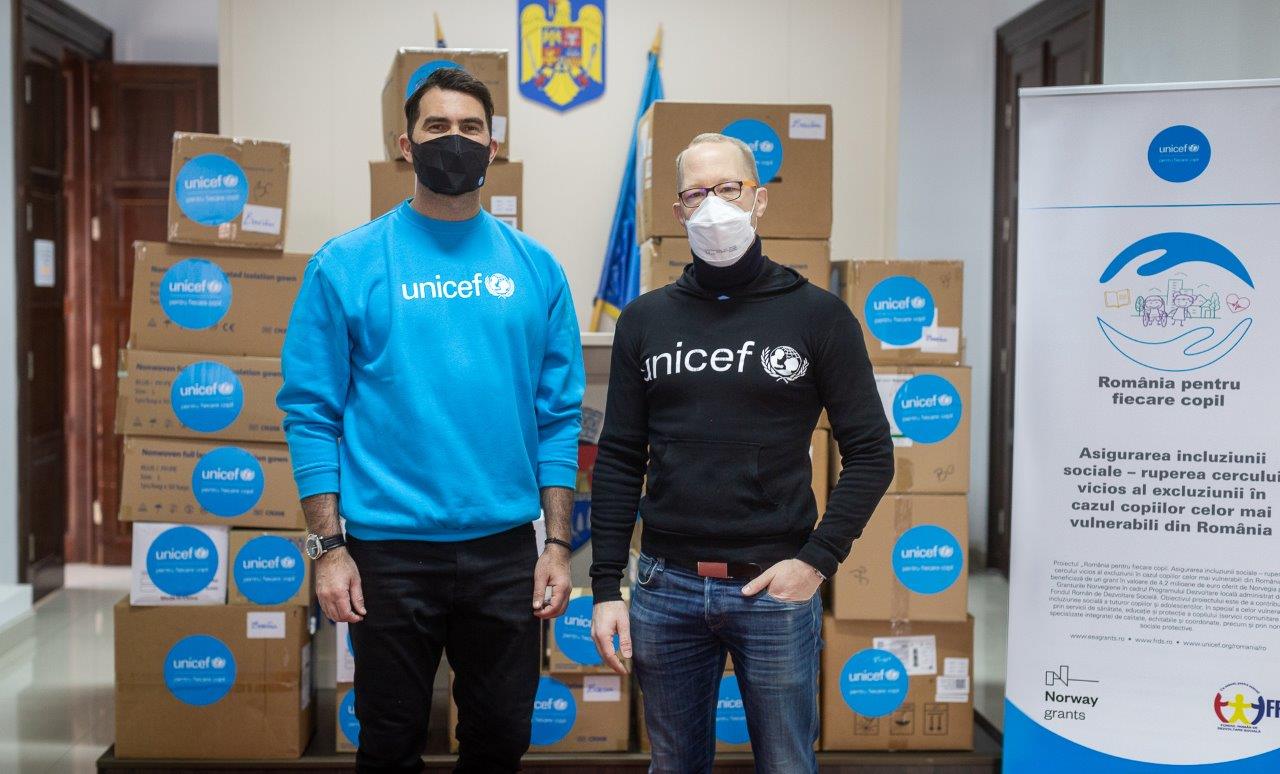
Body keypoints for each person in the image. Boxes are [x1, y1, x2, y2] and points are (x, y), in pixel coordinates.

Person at [277, 67, 585, 773]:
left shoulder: (537, 269)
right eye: (437, 126)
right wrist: (329, 550)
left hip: (505, 553)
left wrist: (558, 544)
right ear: (405, 144)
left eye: (471, 127)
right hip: (387, 554)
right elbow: (310, 413)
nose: (455, 139)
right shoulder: (344, 265)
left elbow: (559, 417)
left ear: (494, 145)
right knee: (388, 745)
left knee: (500, 740)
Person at [588, 133, 894, 773]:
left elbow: (870, 452)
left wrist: (816, 562)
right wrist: (606, 587)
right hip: (665, 586)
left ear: (759, 199)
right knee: (673, 764)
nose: (713, 206)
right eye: (696, 193)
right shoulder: (644, 320)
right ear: (677, 211)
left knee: (786, 764)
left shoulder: (818, 316)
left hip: (774, 587)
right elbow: (618, 456)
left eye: (728, 189)